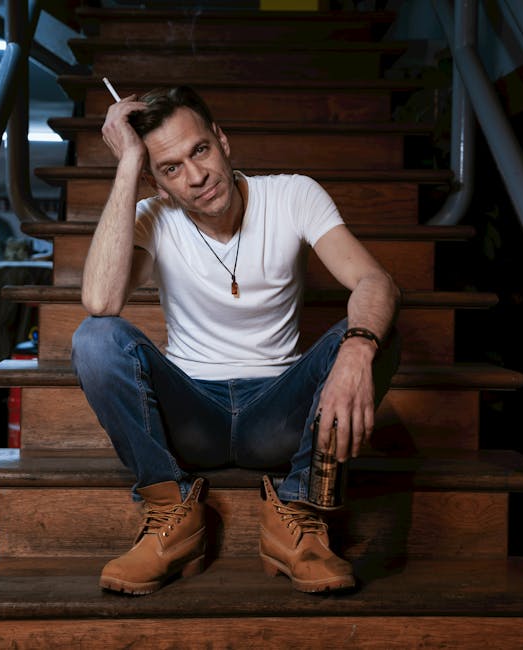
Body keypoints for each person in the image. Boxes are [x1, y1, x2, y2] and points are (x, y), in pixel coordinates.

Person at [71, 86, 400, 596]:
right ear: (155, 182)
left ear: (222, 140)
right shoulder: (151, 216)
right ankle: (171, 514)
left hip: (280, 415)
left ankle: (299, 514)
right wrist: (127, 165)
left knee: (374, 329)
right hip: (190, 416)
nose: (196, 176)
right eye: (171, 168)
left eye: (199, 150)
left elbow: (374, 282)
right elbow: (100, 301)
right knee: (96, 339)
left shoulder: (294, 194)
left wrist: (358, 349)